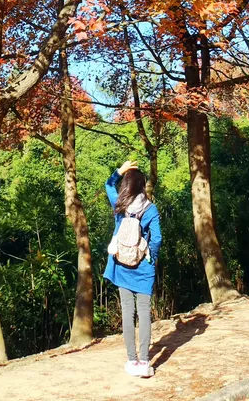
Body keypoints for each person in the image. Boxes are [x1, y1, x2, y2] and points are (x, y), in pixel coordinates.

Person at [104, 159, 162, 378]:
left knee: (127, 311)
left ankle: (132, 361)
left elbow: (108, 185)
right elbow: (156, 238)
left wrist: (120, 170)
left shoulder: (120, 204)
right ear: (143, 185)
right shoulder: (150, 208)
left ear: (127, 185)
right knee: (144, 311)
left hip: (121, 265)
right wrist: (151, 258)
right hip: (143, 267)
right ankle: (145, 363)